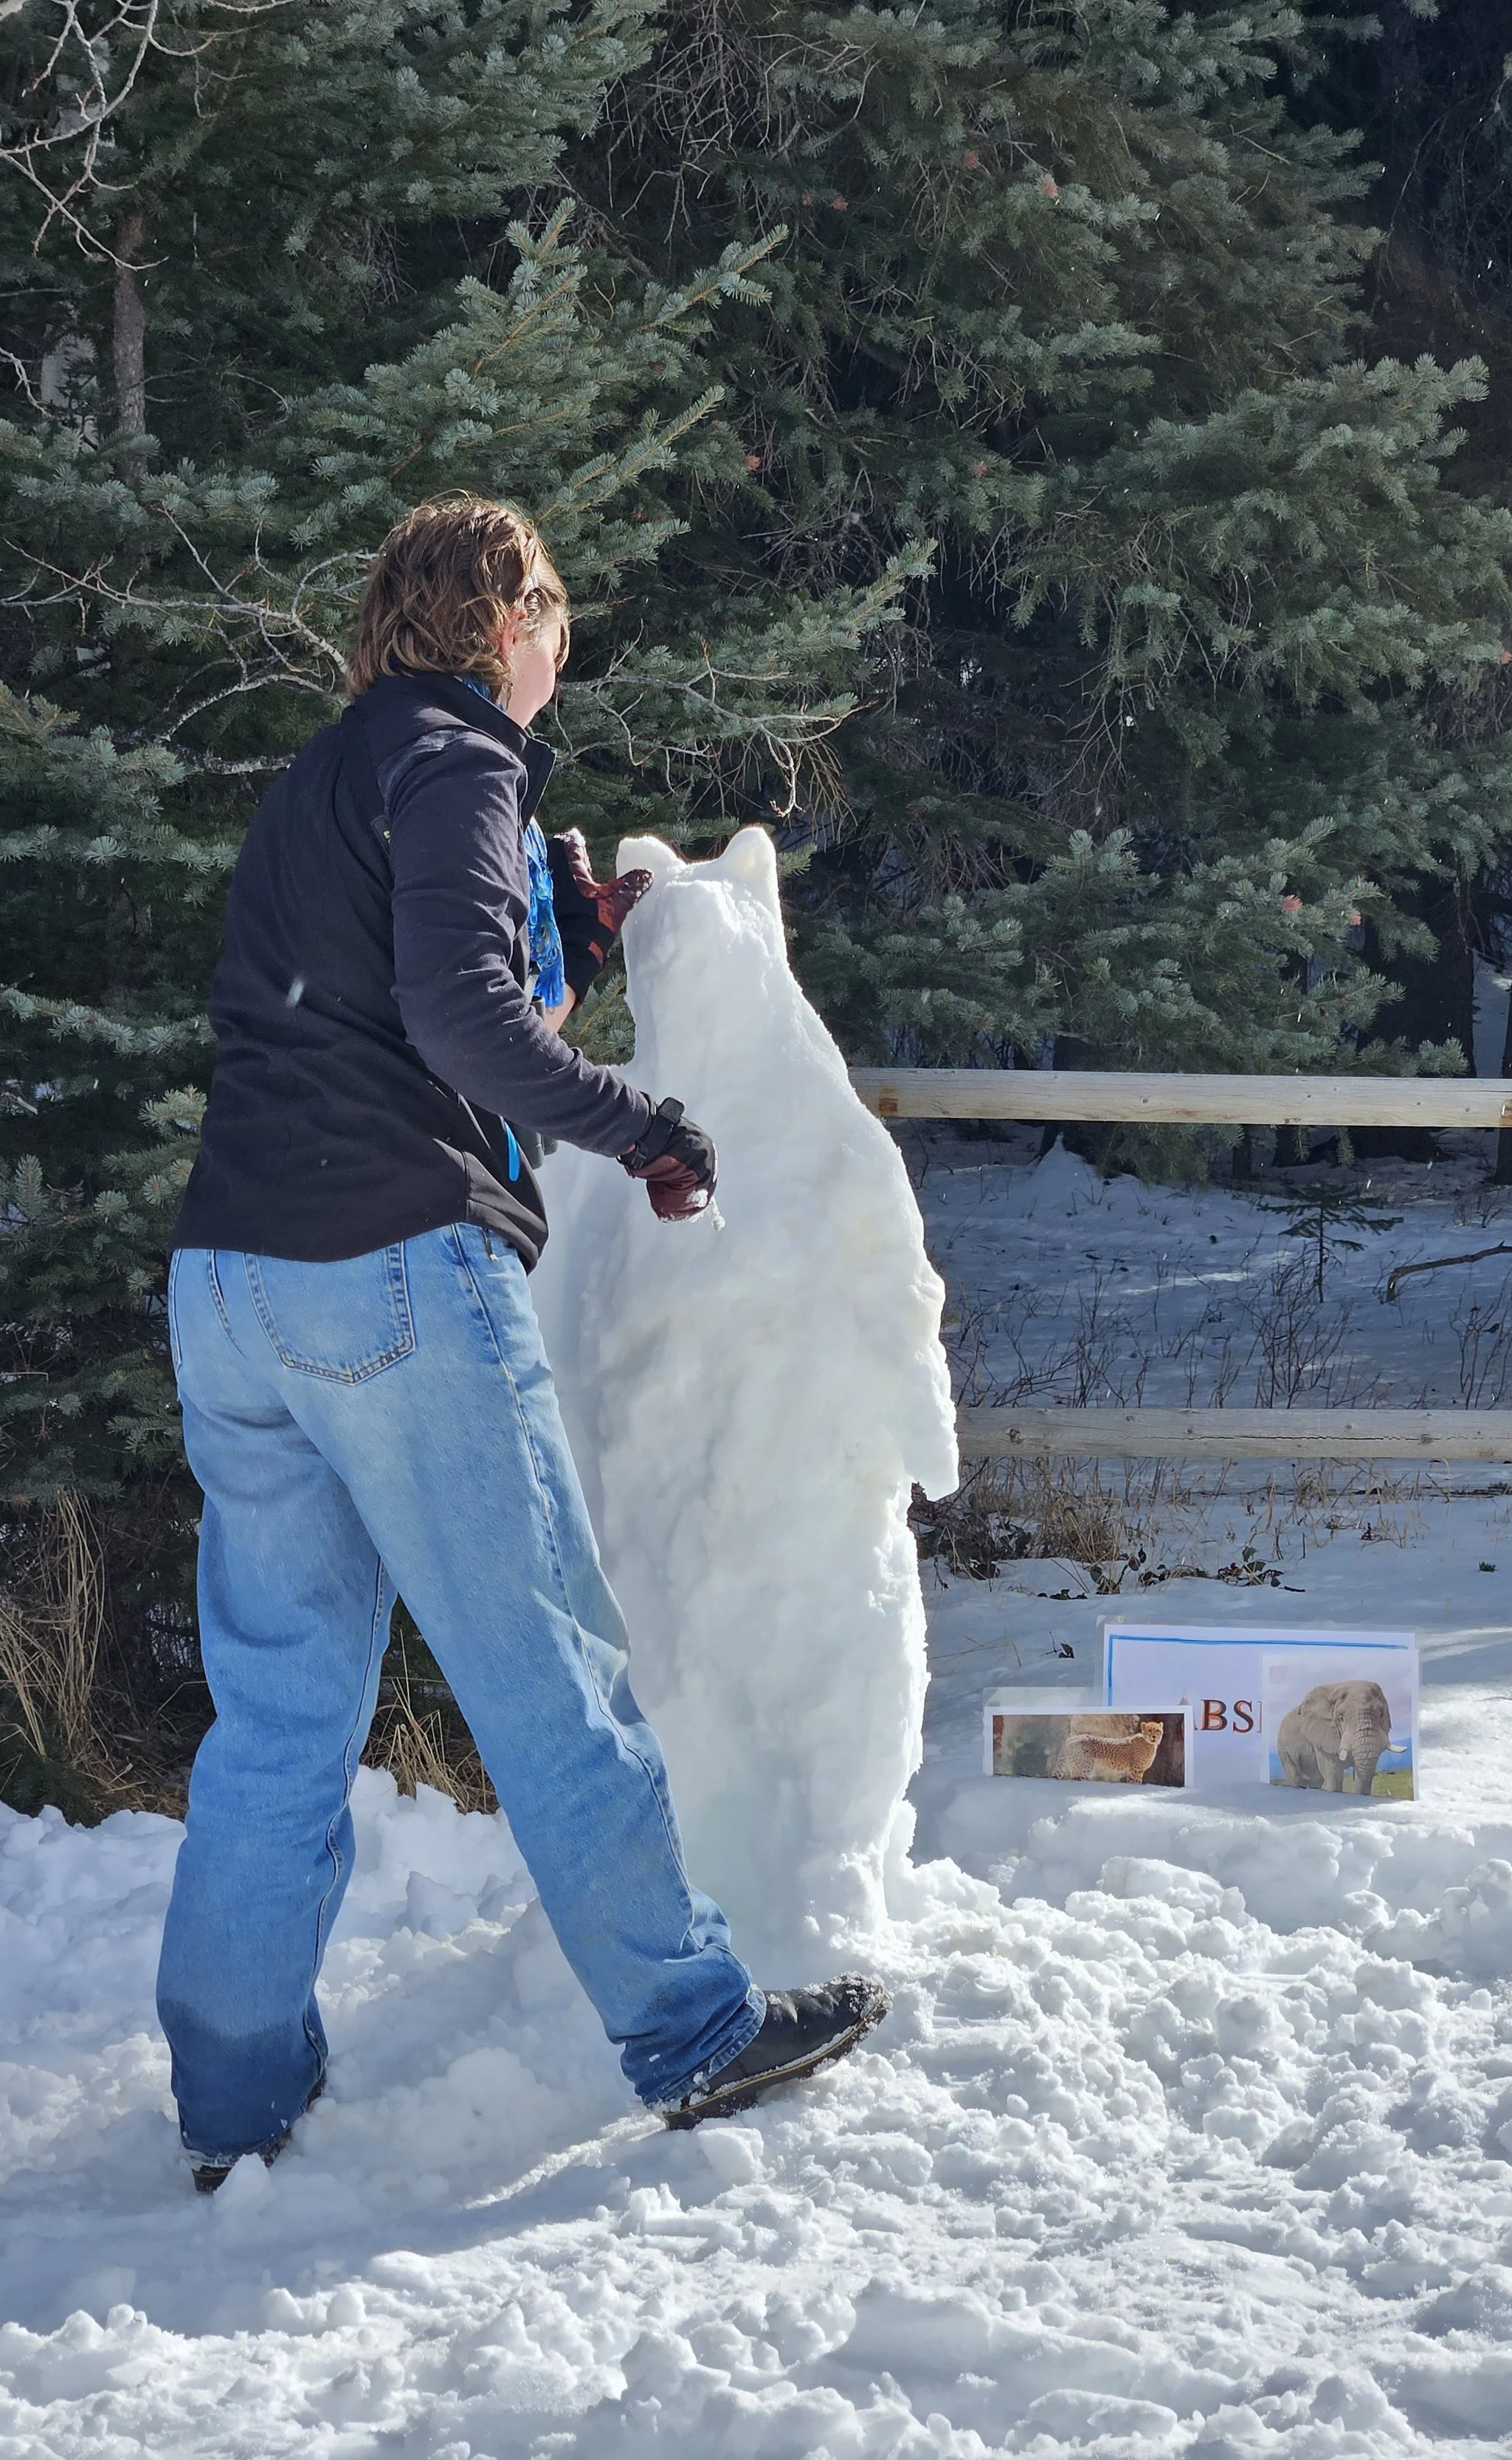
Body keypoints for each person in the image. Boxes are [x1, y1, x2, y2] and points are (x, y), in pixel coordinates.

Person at [159, 495, 888, 2191]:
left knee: (276, 1717)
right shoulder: (464, 763)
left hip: (230, 1284)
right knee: (546, 1666)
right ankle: (695, 2028)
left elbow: (405, 994)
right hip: (391, 1273)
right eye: (554, 610)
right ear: (504, 623)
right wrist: (640, 1127)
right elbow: (454, 1020)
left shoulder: (333, 773)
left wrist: (542, 928)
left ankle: (232, 2104)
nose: (564, 639)